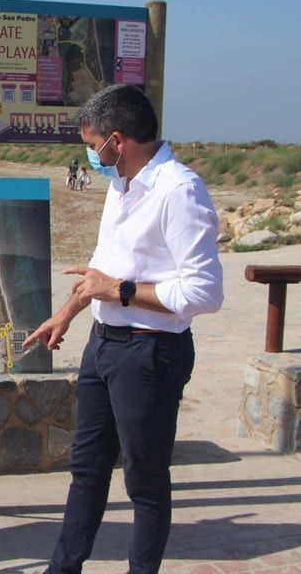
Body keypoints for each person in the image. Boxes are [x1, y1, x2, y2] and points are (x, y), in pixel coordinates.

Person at [23, 84, 223, 574]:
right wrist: (66, 313)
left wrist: (121, 291)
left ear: (118, 140)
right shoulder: (121, 184)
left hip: (150, 354)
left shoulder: (180, 190)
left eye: (93, 146)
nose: (92, 156)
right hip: (103, 346)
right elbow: (102, 268)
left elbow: (205, 292)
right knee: (86, 471)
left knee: (145, 482)